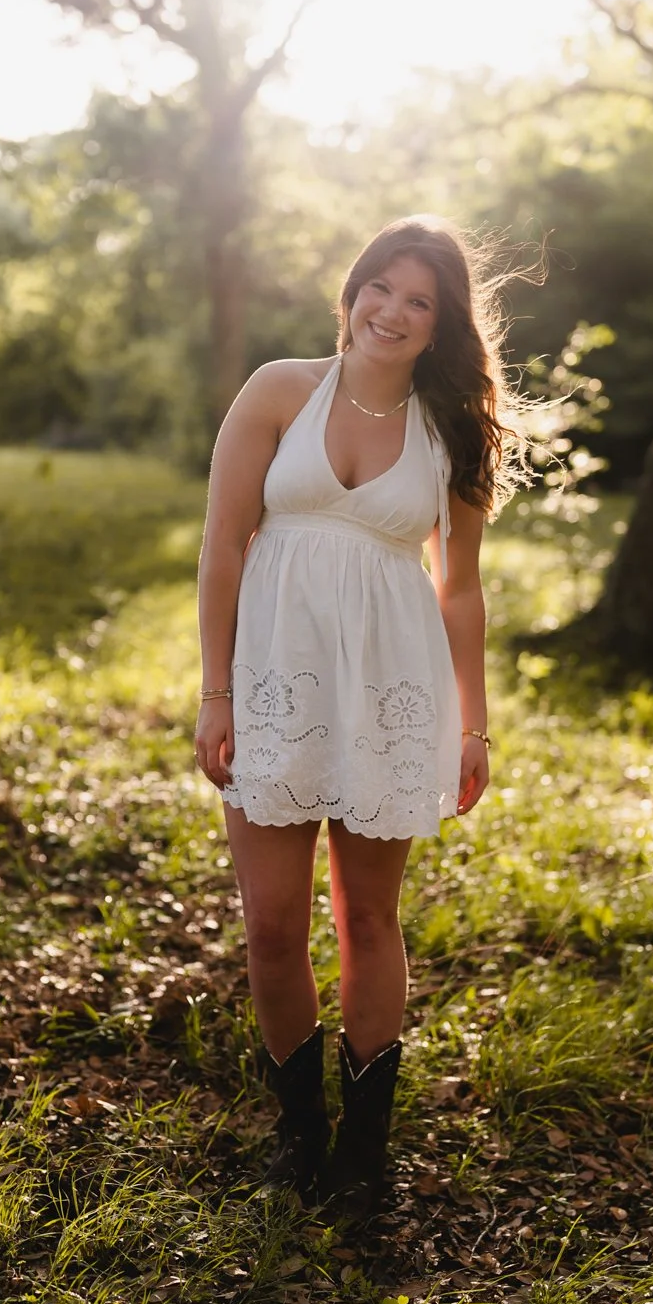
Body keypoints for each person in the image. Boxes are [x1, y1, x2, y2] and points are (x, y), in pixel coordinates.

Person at [195, 214, 524, 1216]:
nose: (391, 310)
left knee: (368, 919)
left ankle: (363, 1151)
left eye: (418, 300)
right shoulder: (277, 392)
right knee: (270, 926)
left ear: (440, 327)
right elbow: (222, 543)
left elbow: (458, 590)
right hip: (275, 680)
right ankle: (297, 1132)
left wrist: (471, 724)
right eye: (380, 287)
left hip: (390, 688)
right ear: (351, 293)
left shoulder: (449, 430)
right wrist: (215, 691)